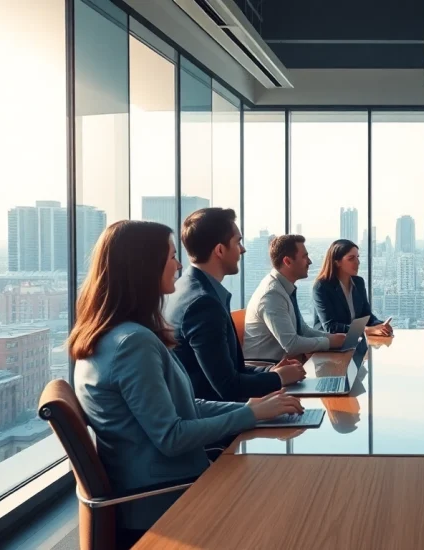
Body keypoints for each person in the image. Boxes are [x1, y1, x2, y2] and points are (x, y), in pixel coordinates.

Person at [70, 221, 302, 545]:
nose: (179, 265)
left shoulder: (115, 334)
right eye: (171, 255)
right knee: (292, 498)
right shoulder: (132, 344)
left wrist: (252, 408)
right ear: (144, 266)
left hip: (163, 482)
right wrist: (250, 415)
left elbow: (186, 406)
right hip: (165, 498)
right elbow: (172, 437)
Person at [164, 208, 305, 402]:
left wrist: (271, 370)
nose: (243, 249)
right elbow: (228, 387)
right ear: (220, 250)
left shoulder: (186, 288)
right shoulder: (203, 304)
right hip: (218, 419)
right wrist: (279, 377)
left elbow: (229, 370)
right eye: (237, 242)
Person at [244, 234, 347, 361]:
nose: (310, 261)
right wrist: (329, 343)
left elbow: (302, 330)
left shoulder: (284, 287)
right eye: (305, 256)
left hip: (287, 365)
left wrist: (331, 338)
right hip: (267, 369)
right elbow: (291, 345)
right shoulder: (272, 294)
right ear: (287, 261)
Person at [312, 239, 392, 337]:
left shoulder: (358, 282)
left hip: (353, 341)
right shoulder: (322, 287)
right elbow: (330, 327)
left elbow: (366, 316)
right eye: (351, 258)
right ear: (337, 262)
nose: (357, 262)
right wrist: (368, 330)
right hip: (329, 344)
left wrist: (380, 325)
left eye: (357, 257)